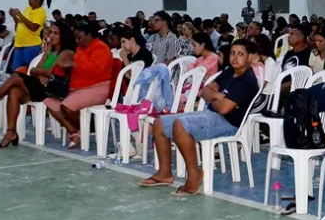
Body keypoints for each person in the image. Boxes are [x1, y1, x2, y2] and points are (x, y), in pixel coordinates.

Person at [139, 39, 261, 195]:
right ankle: (165, 173)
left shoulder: (248, 81)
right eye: (232, 53)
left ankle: (195, 174)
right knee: (159, 122)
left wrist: (214, 99)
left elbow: (224, 109)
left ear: (250, 57)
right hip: (210, 114)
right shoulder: (229, 71)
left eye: (240, 54)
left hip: (228, 123)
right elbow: (205, 91)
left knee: (180, 124)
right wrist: (217, 96)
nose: (235, 58)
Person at [0, 22, 76, 148]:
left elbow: (47, 72)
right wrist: (42, 71)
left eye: (56, 33)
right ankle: (11, 132)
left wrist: (42, 72)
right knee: (14, 91)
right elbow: (34, 70)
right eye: (51, 32)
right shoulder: (50, 50)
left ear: (63, 36)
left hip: (56, 90)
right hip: (43, 87)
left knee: (16, 76)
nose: (51, 36)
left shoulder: (66, 52)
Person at [46, 24, 114, 149]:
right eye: (76, 38)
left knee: (67, 107)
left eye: (80, 38)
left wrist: (73, 64)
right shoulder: (79, 48)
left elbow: (95, 70)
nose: (77, 41)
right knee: (49, 100)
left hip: (97, 88)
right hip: (76, 88)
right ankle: (74, 131)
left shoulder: (100, 48)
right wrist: (48, 54)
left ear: (89, 36)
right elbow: (44, 68)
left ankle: (86, 128)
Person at [9, 0, 51, 71]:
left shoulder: (41, 12)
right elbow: (19, 25)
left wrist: (20, 15)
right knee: (16, 70)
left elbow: (33, 28)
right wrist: (14, 16)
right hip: (19, 44)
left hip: (31, 45)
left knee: (30, 69)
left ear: (38, 0)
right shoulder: (27, 9)